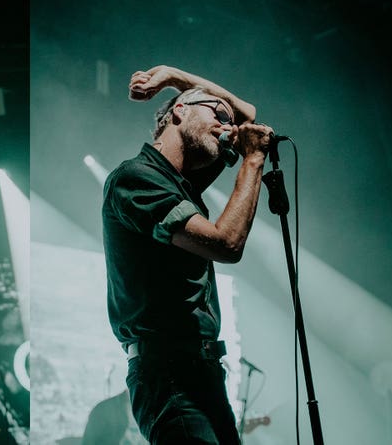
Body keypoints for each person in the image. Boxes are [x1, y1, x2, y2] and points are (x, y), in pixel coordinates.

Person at [102, 65, 274, 444]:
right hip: (168, 372)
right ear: (180, 111)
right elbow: (225, 244)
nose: (228, 126)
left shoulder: (184, 183)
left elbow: (247, 114)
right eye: (216, 114)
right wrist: (252, 161)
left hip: (201, 370)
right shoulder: (136, 177)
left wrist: (172, 76)